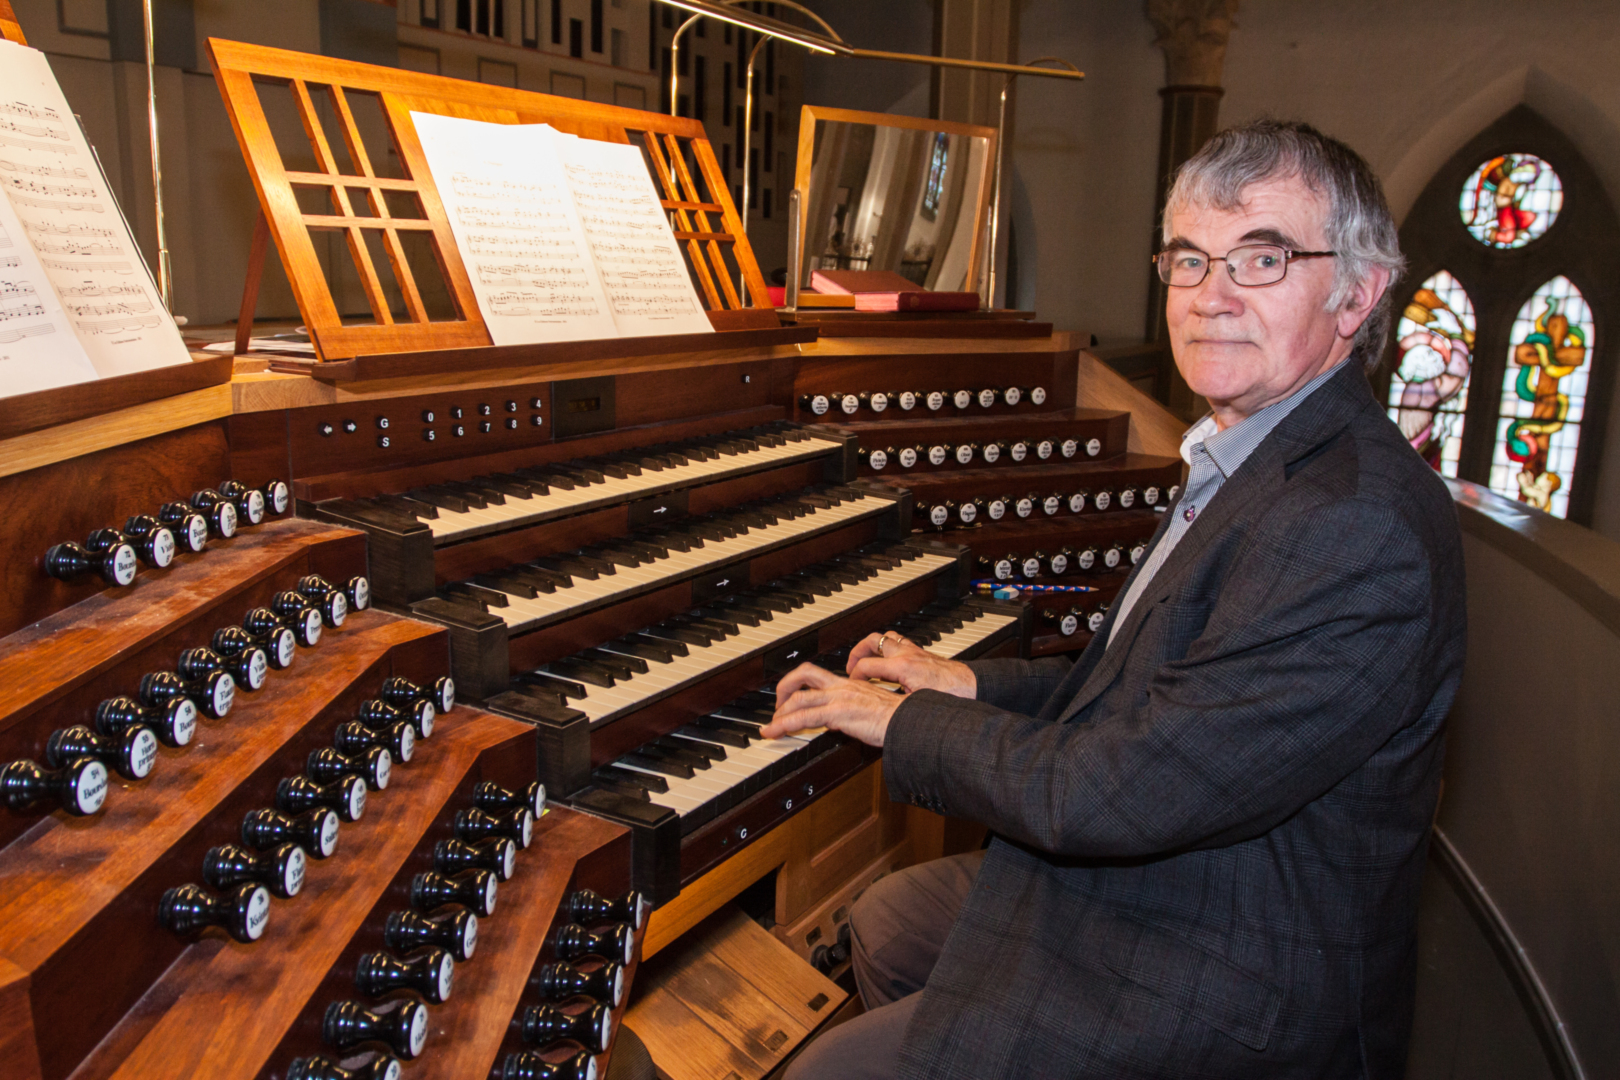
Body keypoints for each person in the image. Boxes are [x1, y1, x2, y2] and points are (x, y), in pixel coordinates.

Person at [766, 120, 1467, 1080]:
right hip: (1189, 865)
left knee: (822, 1074)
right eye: (1190, 258)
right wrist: (965, 684)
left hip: (1235, 967)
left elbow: (1115, 791)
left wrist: (909, 721)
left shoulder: (1352, 526)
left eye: (1261, 258)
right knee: (887, 923)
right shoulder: (1257, 452)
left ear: (1357, 293)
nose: (1211, 296)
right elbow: (1146, 697)